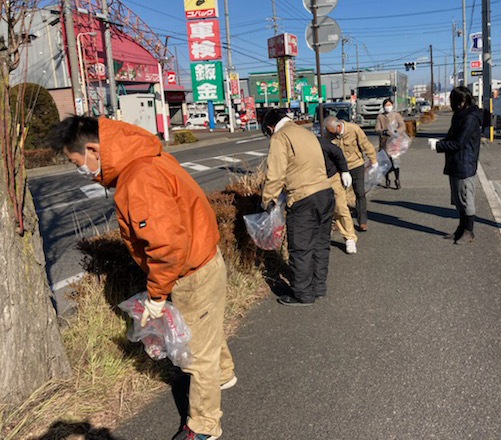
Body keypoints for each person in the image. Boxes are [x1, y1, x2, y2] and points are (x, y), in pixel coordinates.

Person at [49, 115, 234, 440]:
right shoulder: (146, 157)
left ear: (93, 149)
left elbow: (165, 246)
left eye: (77, 161)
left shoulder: (138, 178)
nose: (79, 169)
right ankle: (225, 375)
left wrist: (157, 296)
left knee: (198, 354)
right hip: (204, 259)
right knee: (208, 327)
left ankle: (204, 426)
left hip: (191, 272)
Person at [261, 108, 335, 306]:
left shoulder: (280, 137)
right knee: (320, 244)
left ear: (270, 127)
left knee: (301, 248)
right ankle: (318, 287)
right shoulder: (306, 132)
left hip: (304, 198)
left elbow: (275, 173)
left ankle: (302, 293)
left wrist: (267, 199)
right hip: (326, 194)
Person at [436, 86, 482, 244]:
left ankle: (469, 232)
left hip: (465, 164)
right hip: (456, 163)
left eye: (453, 101)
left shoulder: (470, 118)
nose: (451, 104)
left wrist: (438, 146)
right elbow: (451, 137)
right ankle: (461, 229)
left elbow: (458, 143)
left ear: (462, 101)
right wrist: (440, 143)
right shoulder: (459, 115)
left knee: (466, 199)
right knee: (458, 199)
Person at [324, 116, 377, 231]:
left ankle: (362, 220)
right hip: (340, 167)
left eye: (331, 131)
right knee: (339, 195)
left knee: (360, 192)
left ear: (338, 126)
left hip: (356, 164)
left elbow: (366, 145)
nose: (330, 134)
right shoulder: (329, 134)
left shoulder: (354, 129)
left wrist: (373, 161)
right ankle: (340, 221)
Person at [318, 132, 358, 254]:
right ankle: (322, 237)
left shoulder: (322, 143)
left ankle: (349, 238)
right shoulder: (296, 148)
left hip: (332, 177)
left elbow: (338, 153)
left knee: (340, 208)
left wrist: (344, 171)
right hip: (314, 180)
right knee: (319, 209)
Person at [375, 98, 406, 189]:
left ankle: (397, 179)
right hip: (384, 142)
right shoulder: (380, 117)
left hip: (394, 142)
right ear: (383, 107)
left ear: (392, 105)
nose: (388, 107)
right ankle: (387, 179)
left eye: (389, 105)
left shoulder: (396, 115)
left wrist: (397, 131)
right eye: (386, 105)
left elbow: (402, 126)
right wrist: (383, 132)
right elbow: (377, 129)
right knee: (385, 162)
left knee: (396, 162)